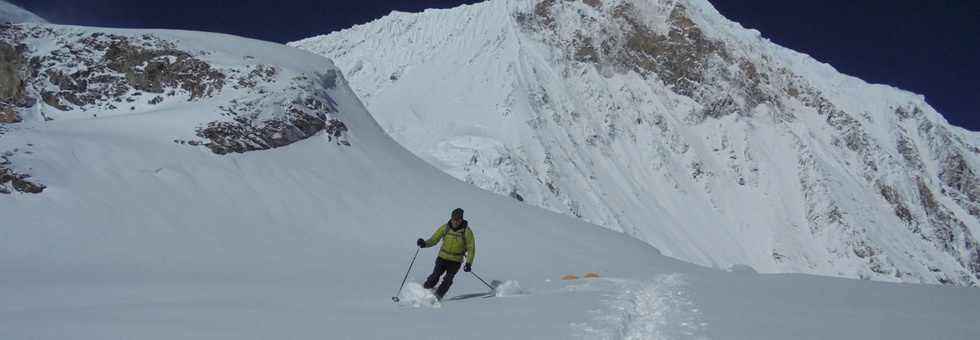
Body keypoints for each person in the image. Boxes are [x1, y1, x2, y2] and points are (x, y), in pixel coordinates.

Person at [416, 207, 476, 301]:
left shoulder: (467, 232)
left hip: (456, 261)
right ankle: (423, 291)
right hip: (442, 258)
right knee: (435, 276)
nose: (455, 222)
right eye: (453, 219)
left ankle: (436, 298)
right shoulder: (445, 228)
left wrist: (468, 263)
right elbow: (435, 239)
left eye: (457, 220)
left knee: (447, 280)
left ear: (461, 220)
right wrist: (425, 243)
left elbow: (471, 248)